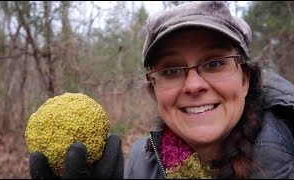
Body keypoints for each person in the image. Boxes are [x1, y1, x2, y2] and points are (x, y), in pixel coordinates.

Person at [29, 1, 294, 179]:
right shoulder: (140, 163)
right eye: (171, 70)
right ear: (154, 89)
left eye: (213, 63)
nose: (193, 85)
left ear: (245, 80)